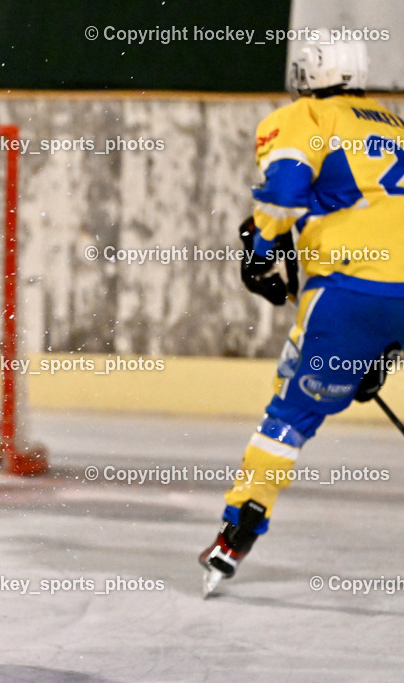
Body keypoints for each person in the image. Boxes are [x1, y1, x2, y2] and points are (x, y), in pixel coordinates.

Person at [199, 31, 404, 595]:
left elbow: (285, 195)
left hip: (349, 291)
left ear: (309, 73)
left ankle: (236, 535)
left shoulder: (304, 116)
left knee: (290, 418)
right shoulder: (395, 125)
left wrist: (261, 249)